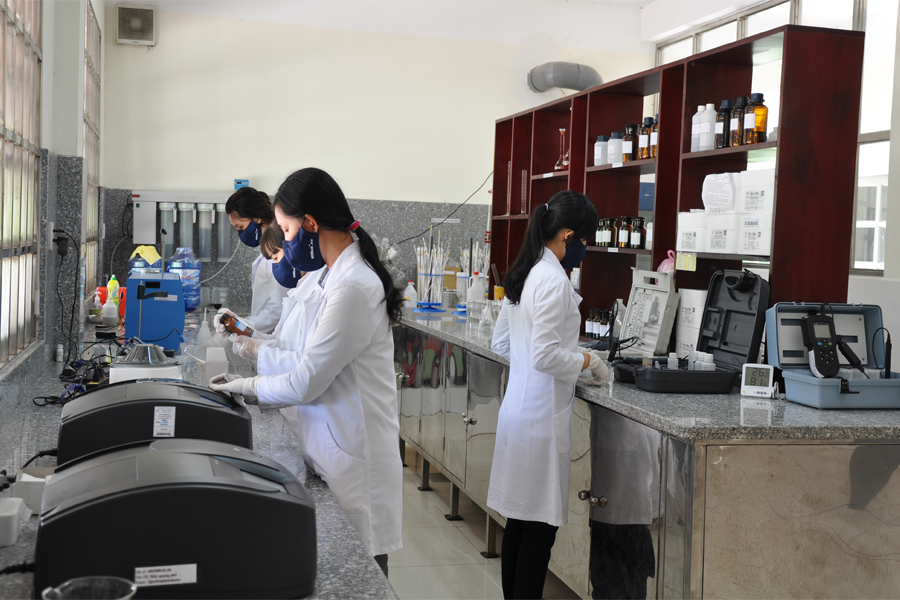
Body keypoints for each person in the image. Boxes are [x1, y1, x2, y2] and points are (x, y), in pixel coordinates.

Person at [209, 167, 404, 576]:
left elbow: (305, 380)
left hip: (354, 452)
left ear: (311, 224)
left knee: (363, 570)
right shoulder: (327, 275)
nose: (283, 241)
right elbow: (298, 351)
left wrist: (244, 385)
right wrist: (250, 344)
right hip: (329, 442)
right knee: (342, 563)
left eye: (286, 230)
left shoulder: (353, 286)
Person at [487, 190, 607, 600]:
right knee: (539, 530)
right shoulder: (553, 281)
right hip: (539, 422)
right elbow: (545, 355)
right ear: (568, 235)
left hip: (518, 413)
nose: (585, 248)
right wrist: (588, 360)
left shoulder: (527, 271)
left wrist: (539, 361)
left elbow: (502, 344)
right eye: (585, 239)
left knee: (520, 522)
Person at [220, 186, 290, 334]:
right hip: (263, 335)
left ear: (257, 219)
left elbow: (277, 311)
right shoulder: (266, 251)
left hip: (273, 336)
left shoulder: (277, 253)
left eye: (241, 227)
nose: (241, 234)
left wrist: (239, 327)